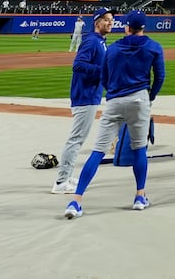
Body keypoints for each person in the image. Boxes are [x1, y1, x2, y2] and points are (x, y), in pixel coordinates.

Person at [64, 11, 165, 218]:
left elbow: (105, 76)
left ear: (127, 27)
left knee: (98, 151)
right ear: (143, 27)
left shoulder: (114, 48)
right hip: (139, 100)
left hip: (115, 101)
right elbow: (160, 77)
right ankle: (139, 196)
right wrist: (150, 96)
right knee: (139, 149)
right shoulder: (154, 47)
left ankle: (76, 201)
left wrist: (112, 92)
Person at [52, 8, 113, 193]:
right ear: (97, 22)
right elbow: (78, 65)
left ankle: (67, 177)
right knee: (76, 139)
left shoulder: (100, 41)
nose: (110, 23)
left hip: (90, 94)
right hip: (84, 95)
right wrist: (102, 70)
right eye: (106, 20)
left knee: (78, 138)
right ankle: (61, 182)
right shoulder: (92, 41)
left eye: (112, 20)